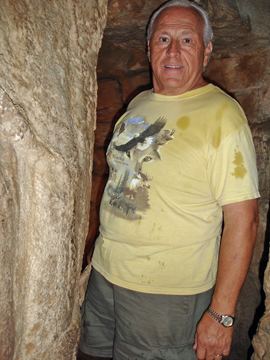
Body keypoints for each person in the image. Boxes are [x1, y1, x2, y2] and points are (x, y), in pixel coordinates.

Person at [78, 1, 259, 359]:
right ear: (149, 49)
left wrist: (221, 314)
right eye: (163, 38)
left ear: (206, 51)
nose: (173, 50)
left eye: (187, 40)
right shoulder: (138, 104)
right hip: (105, 276)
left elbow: (244, 220)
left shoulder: (223, 116)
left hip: (167, 295)